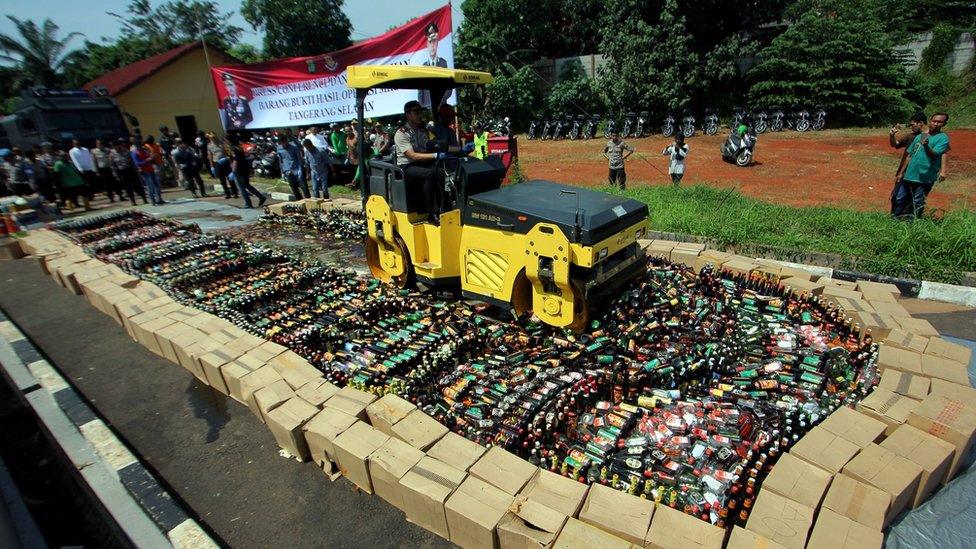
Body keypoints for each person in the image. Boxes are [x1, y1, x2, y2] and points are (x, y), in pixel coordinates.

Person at [395, 100, 450, 220]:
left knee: (440, 172)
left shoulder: (424, 130)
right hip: (407, 166)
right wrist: (435, 156)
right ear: (408, 114)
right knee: (429, 174)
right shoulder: (401, 133)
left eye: (420, 112)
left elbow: (433, 144)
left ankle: (443, 206)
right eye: (416, 112)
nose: (420, 115)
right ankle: (431, 212)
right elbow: (412, 156)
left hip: (422, 162)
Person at [893, 112, 949, 219]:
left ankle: (913, 224)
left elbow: (935, 155)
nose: (936, 124)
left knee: (917, 202)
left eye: (939, 122)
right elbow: (909, 155)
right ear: (929, 121)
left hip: (925, 177)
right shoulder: (919, 136)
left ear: (944, 124)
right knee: (899, 198)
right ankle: (895, 220)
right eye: (934, 121)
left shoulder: (943, 138)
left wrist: (927, 146)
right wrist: (901, 173)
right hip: (909, 175)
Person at [888, 112, 927, 216]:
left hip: (918, 173)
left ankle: (908, 219)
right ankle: (895, 218)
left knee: (914, 199)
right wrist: (892, 135)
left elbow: (920, 152)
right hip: (904, 171)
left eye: (912, 125)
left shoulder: (925, 136)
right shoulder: (910, 136)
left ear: (921, 123)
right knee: (896, 196)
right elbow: (895, 144)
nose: (911, 127)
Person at [229, 136, 266, 208]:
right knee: (247, 185)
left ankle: (248, 203)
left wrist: (233, 171)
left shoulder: (234, 149)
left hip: (238, 170)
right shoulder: (240, 148)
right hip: (245, 168)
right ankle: (261, 197)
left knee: (242, 187)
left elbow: (235, 160)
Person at [418, 22, 449, 108]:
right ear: (427, 44)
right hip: (427, 108)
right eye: (430, 42)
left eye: (434, 42)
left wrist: (441, 101)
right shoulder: (424, 66)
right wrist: (422, 107)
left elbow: (448, 87)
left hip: (441, 106)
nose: (432, 45)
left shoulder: (443, 63)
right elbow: (421, 91)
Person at [110, 139, 147, 205]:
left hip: (130, 170)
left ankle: (144, 198)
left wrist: (136, 170)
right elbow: (113, 166)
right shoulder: (112, 154)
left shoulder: (126, 151)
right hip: (122, 172)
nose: (117, 147)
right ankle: (133, 201)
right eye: (115, 146)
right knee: (127, 187)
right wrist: (115, 175)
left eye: (118, 145)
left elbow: (132, 161)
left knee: (137, 185)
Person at [131, 138, 164, 205]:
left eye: (142, 145)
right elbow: (137, 163)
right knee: (150, 186)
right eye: (140, 145)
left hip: (151, 169)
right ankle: (153, 201)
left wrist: (153, 157)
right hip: (144, 171)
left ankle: (159, 199)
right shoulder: (135, 153)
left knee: (157, 185)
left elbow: (150, 158)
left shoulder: (145, 151)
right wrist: (147, 160)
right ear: (137, 146)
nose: (141, 147)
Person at [277, 135, 309, 199]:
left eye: (284, 142)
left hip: (297, 169)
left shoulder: (294, 147)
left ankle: (308, 200)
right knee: (294, 188)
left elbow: (299, 159)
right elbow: (281, 161)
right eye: (281, 143)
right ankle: (299, 202)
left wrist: (300, 169)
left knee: (304, 187)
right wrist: (282, 172)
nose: (283, 144)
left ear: (286, 141)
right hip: (287, 170)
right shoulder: (279, 148)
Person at [207, 133, 238, 198]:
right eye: (211, 138)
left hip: (225, 161)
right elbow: (210, 156)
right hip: (217, 163)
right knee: (222, 179)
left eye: (214, 137)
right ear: (209, 138)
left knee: (230, 178)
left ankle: (235, 192)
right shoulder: (209, 145)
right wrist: (212, 166)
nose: (213, 139)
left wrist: (227, 158)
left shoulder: (222, 144)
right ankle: (227, 193)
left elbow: (228, 153)